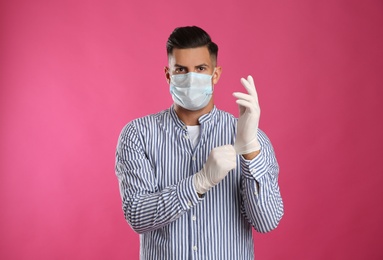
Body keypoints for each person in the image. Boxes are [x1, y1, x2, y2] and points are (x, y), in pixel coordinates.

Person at [115, 26, 284, 259]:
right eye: (181, 70)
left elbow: (267, 221)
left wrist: (250, 150)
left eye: (201, 68)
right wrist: (199, 182)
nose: (191, 77)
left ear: (215, 74)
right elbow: (137, 215)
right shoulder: (138, 134)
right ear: (168, 74)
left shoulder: (249, 136)